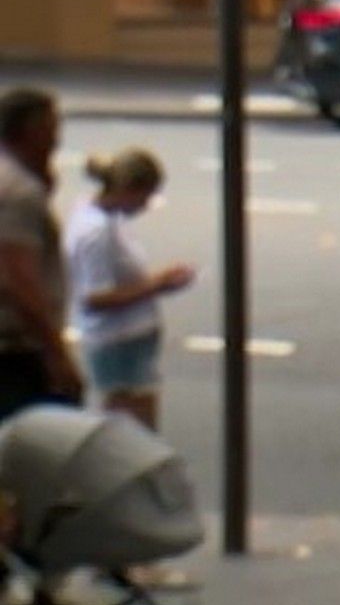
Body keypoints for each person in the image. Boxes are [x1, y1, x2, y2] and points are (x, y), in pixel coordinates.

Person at [65, 148, 195, 431]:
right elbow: (95, 298)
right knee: (133, 428)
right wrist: (158, 285)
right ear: (128, 190)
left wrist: (156, 281)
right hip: (118, 342)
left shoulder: (108, 219)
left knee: (136, 424)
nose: (146, 205)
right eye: (145, 197)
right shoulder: (96, 232)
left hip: (129, 340)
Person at [0, 88, 80, 421]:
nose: (57, 140)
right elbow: (19, 279)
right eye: (52, 128)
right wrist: (56, 354)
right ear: (33, 131)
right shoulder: (20, 191)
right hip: (16, 353)